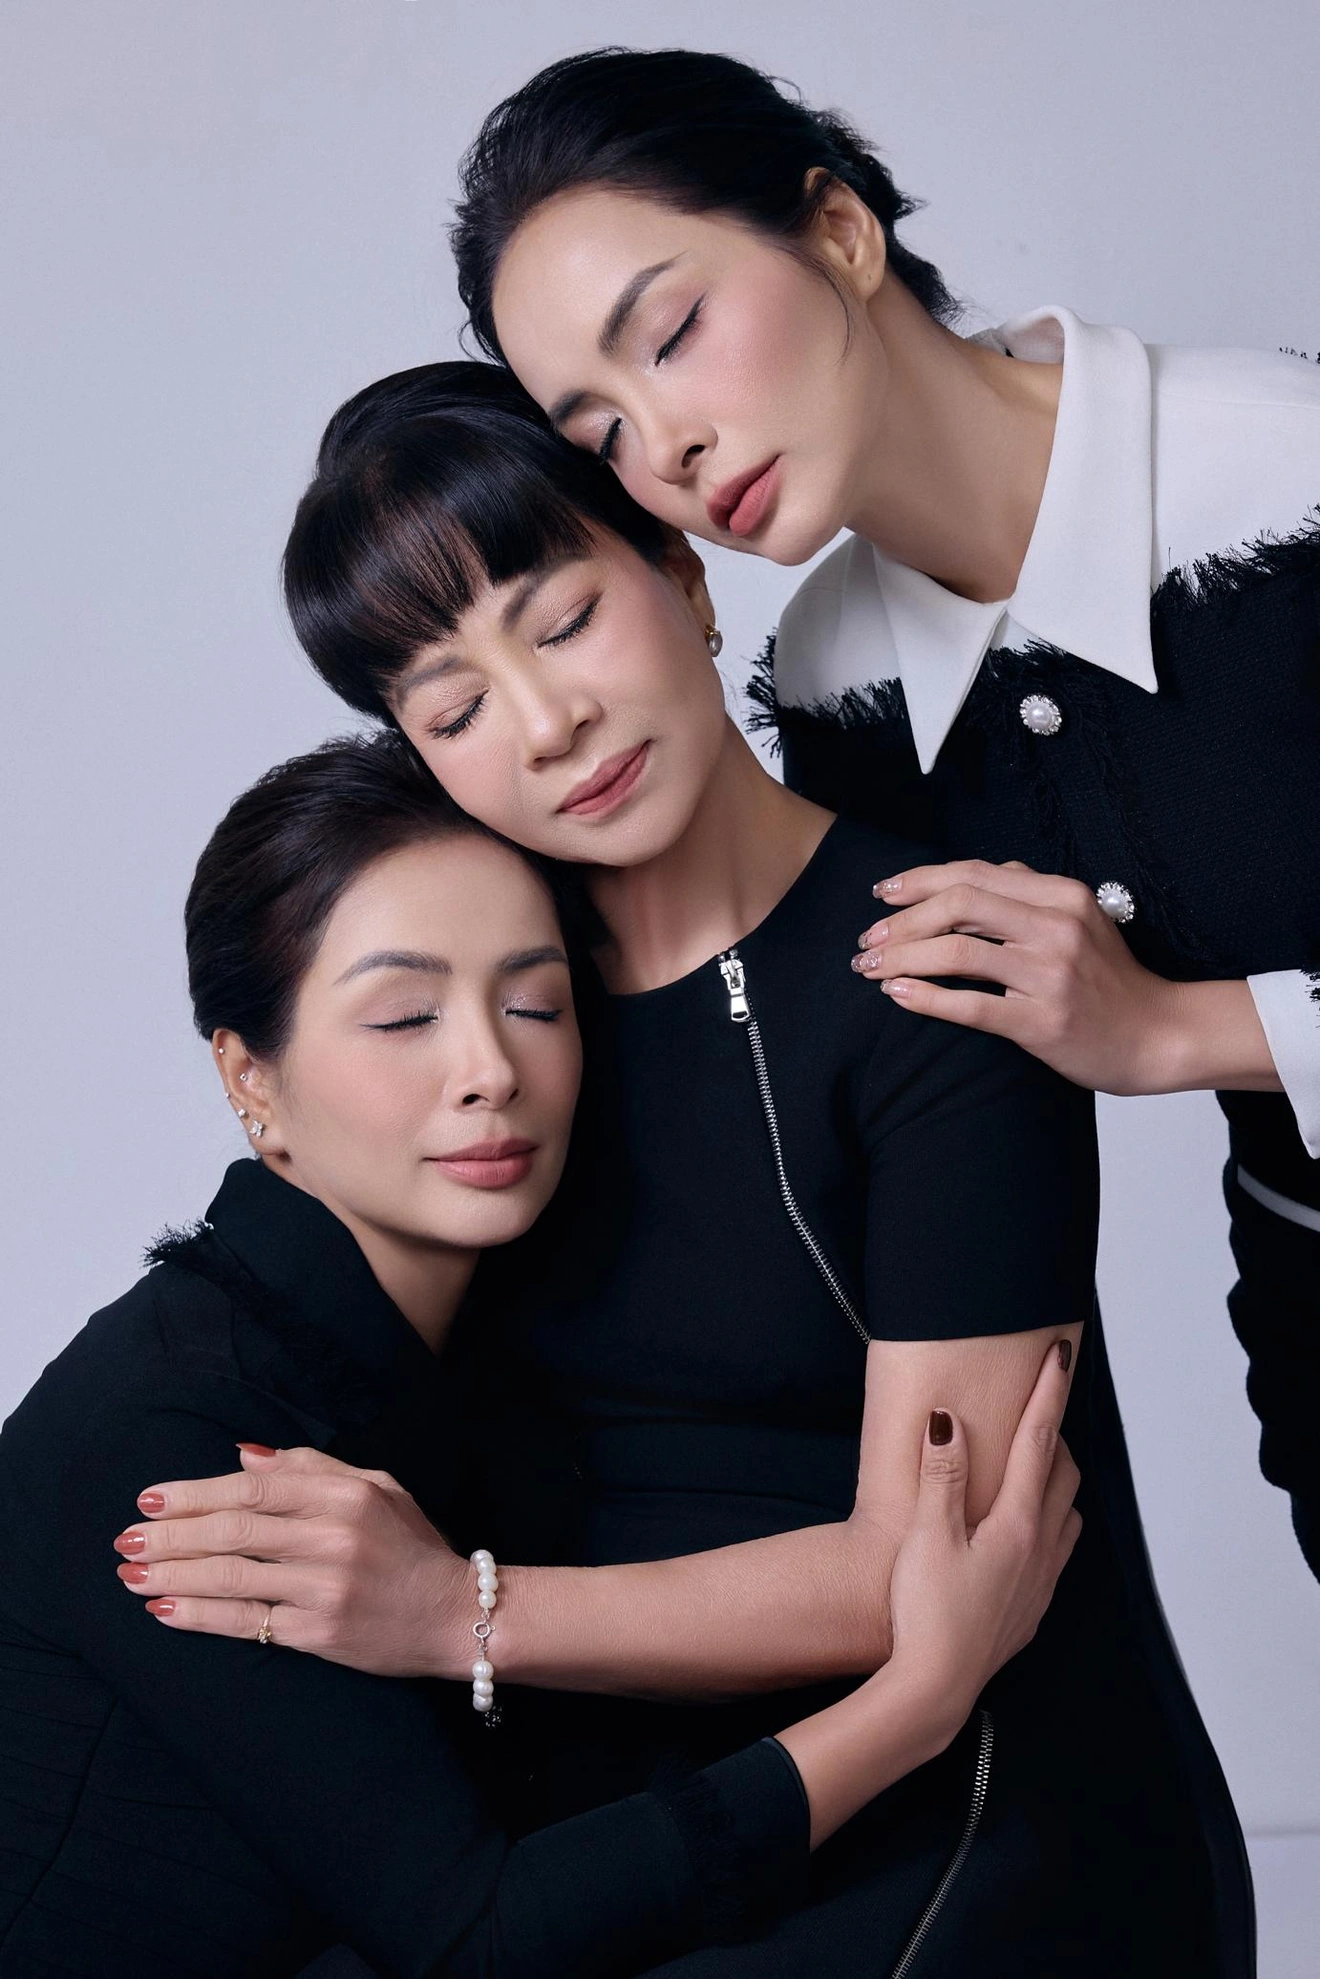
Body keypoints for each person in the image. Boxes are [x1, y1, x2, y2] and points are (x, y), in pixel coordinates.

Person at [128, 363, 1251, 1976]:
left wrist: (457, 1612)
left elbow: (915, 1570)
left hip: (950, 1783)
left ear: (682, 575)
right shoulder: (493, 1022)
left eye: (564, 620)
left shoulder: (936, 960)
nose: (547, 724)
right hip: (598, 1790)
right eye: (453, 707)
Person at [0, 732, 1079, 1979]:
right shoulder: (186, 1433)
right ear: (252, 1077)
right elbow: (482, 1935)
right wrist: (917, 1701)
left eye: (535, 1004)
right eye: (404, 1015)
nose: (491, 1071)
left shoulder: (468, 1355)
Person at [450, 44, 1320, 1585]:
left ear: (841, 230)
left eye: (673, 333)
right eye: (599, 434)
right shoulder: (834, 684)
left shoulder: (1291, 481)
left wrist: (1173, 1031)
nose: (665, 447)